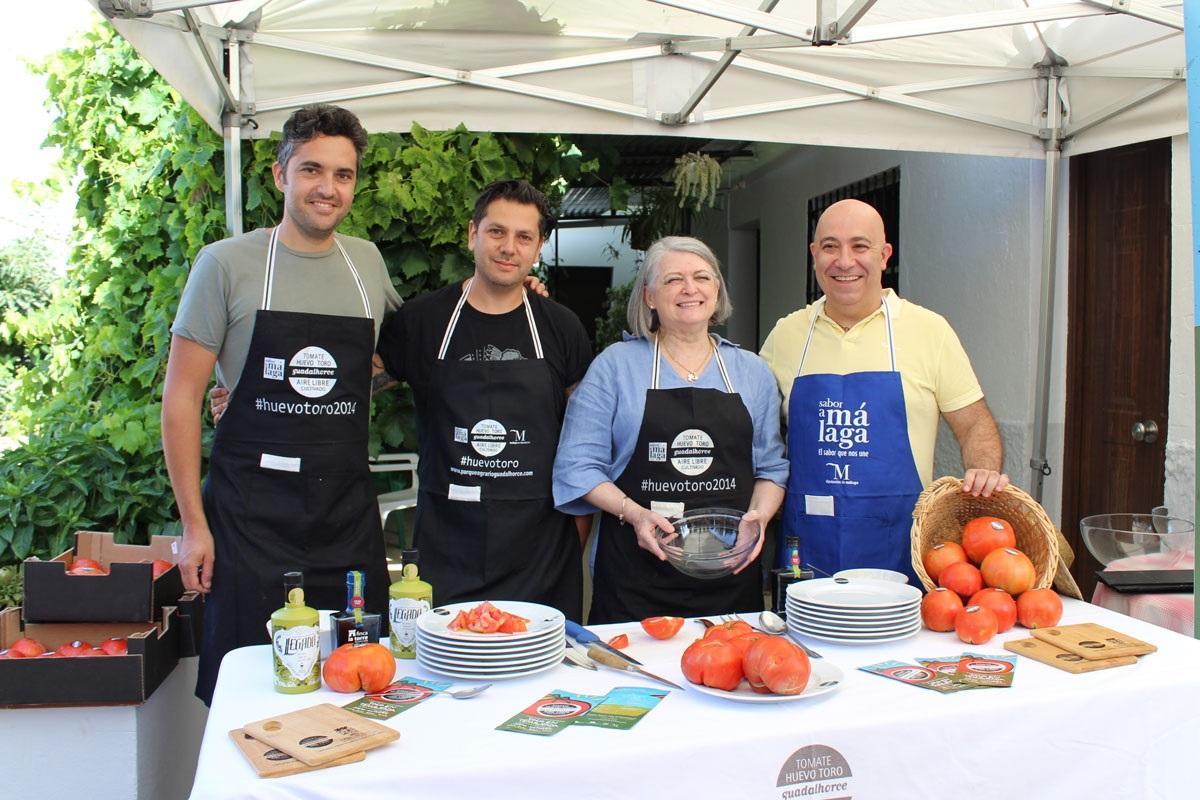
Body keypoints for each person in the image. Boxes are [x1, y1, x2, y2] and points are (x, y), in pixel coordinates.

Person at [162, 105, 399, 704]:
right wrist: (194, 527)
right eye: (312, 169)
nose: (328, 187)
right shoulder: (226, 263)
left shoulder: (365, 261)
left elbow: (395, 359)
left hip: (345, 511)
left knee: (357, 676)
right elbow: (182, 397)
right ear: (279, 175)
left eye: (343, 175)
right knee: (249, 682)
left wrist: (508, 292)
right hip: (249, 515)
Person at [374, 180, 592, 622]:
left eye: (523, 237)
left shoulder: (561, 327)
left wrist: (578, 533)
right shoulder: (421, 320)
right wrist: (251, 396)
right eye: (496, 232)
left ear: (538, 247)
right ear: (473, 233)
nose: (508, 247)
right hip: (447, 544)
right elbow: (354, 388)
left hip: (540, 552)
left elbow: (585, 439)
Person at [759, 198, 1008, 584]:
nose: (844, 261)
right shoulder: (786, 336)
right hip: (806, 550)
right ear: (814, 255)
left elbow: (974, 423)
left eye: (860, 246)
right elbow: (756, 432)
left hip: (900, 550)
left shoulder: (929, 330)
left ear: (884, 255)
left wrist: (984, 471)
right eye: (829, 246)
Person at [553, 236, 788, 623]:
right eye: (673, 279)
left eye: (701, 277)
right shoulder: (615, 367)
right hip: (636, 579)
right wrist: (633, 512)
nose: (689, 288)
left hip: (730, 574)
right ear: (649, 296)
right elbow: (577, 466)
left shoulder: (752, 372)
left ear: (716, 290)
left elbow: (771, 468)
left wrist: (759, 518)